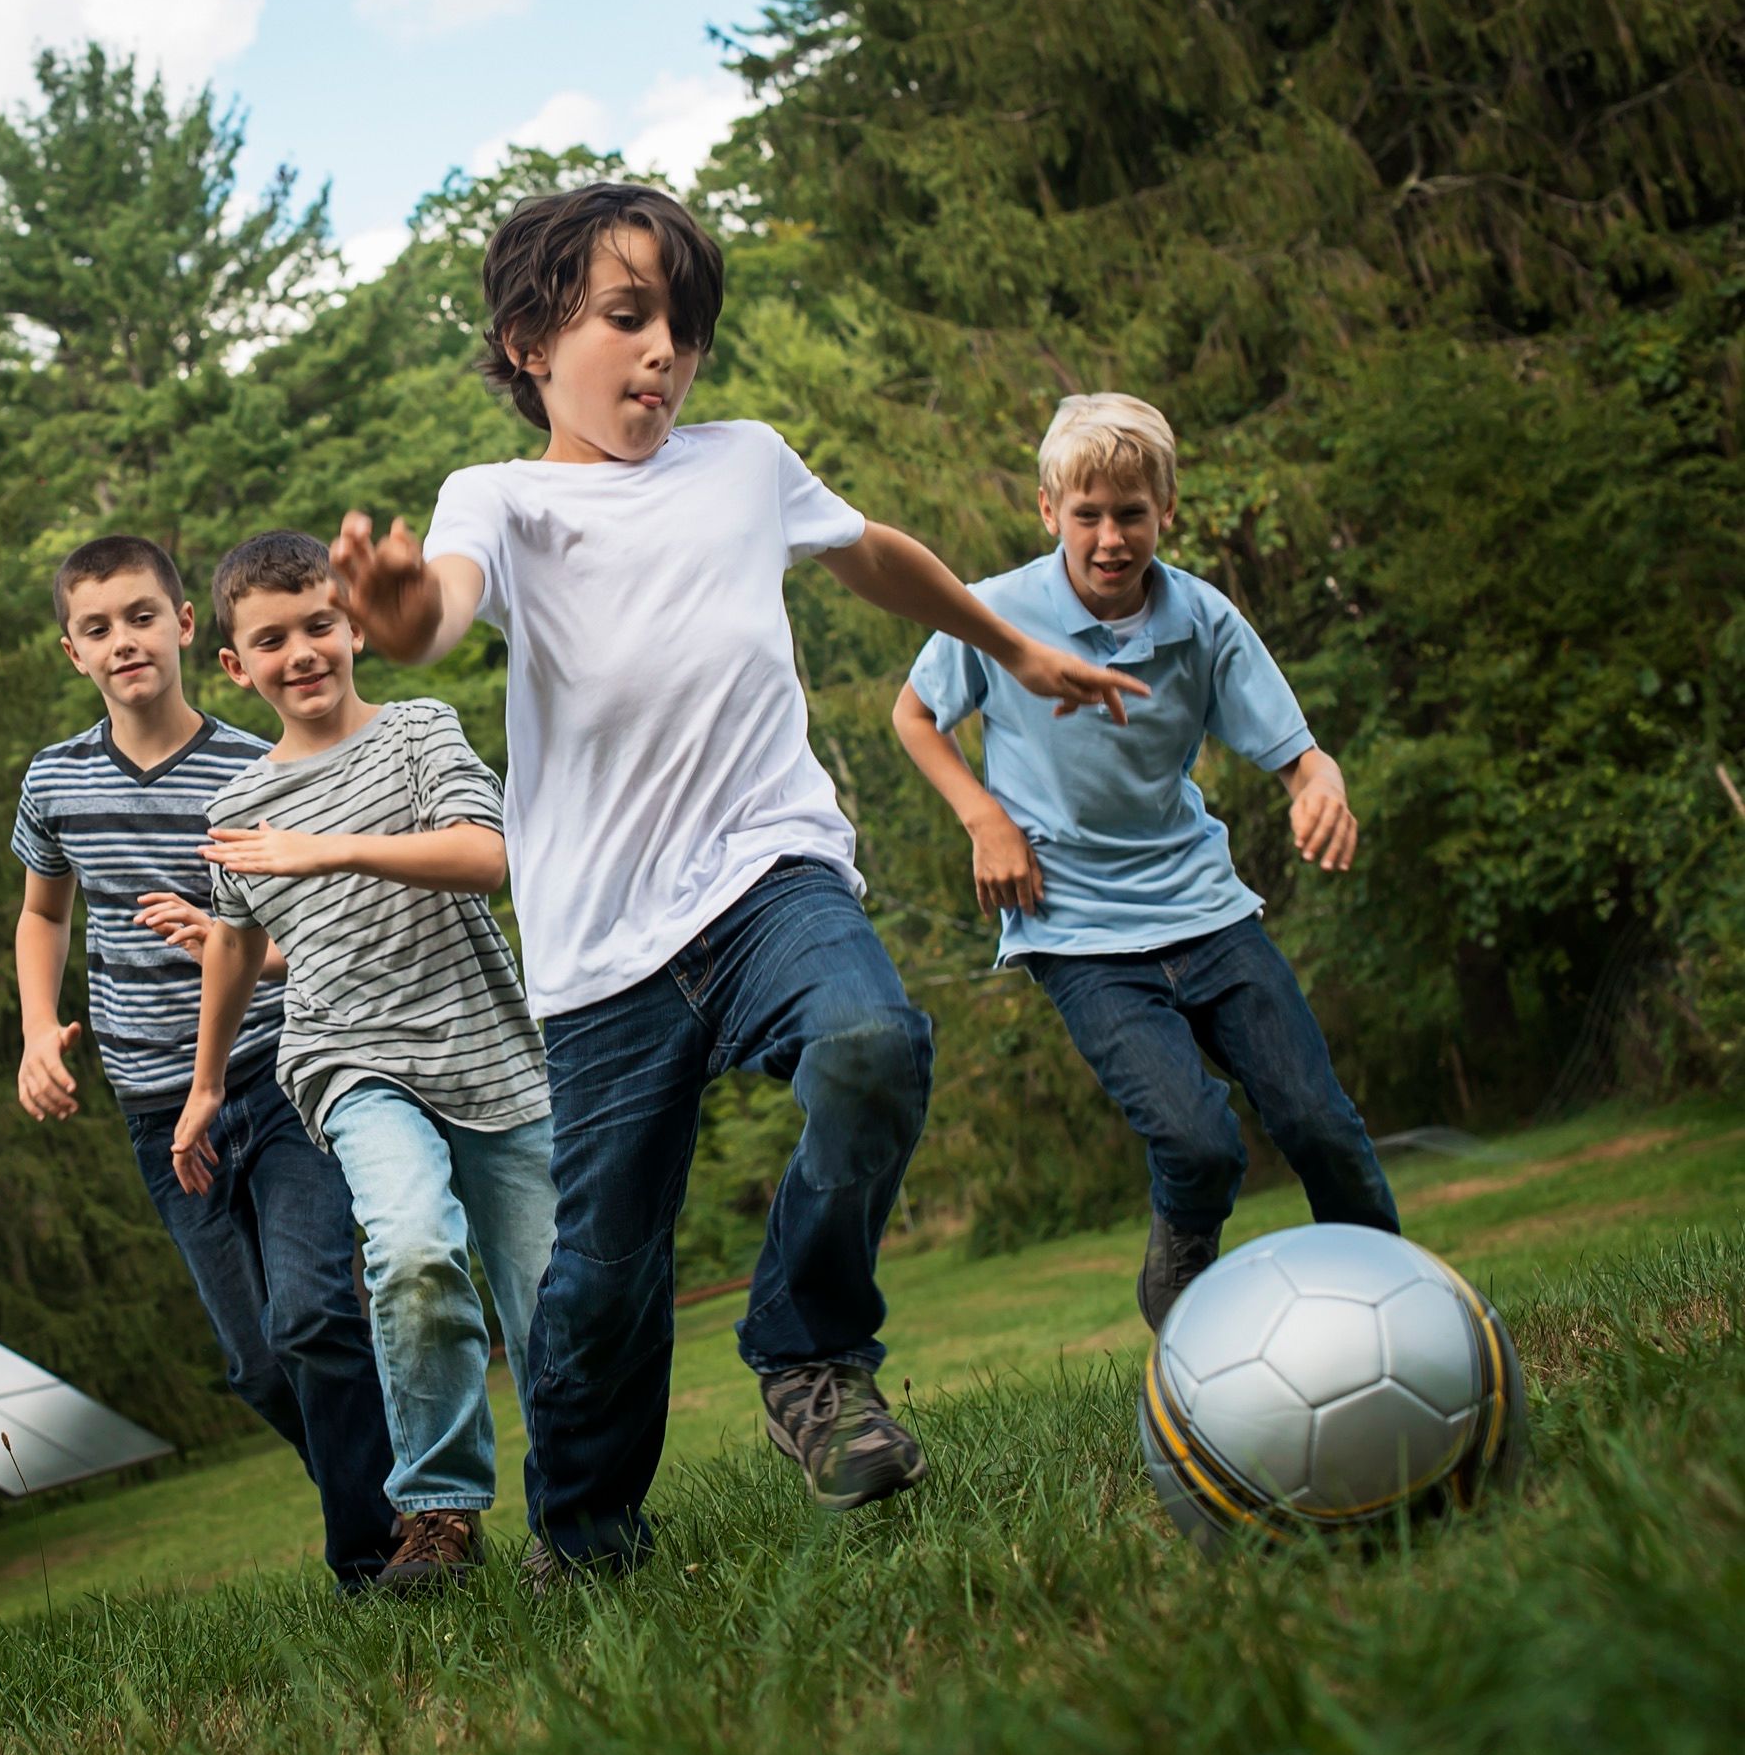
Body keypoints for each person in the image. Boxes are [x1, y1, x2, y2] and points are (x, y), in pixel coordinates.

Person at [331, 182, 1147, 1574]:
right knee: (599, 1277)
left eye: (686, 330)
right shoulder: (503, 496)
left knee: (873, 1042)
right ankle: (586, 1537)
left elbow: (874, 556)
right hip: (601, 947)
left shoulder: (745, 460)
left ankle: (807, 1348)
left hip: (770, 871)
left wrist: (1008, 646)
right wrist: (401, 615)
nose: (665, 354)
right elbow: (443, 603)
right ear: (532, 340)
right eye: (628, 317)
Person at [890, 392, 1399, 1331]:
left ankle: (1390, 1310)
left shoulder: (1202, 619)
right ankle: (1185, 1292)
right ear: (1050, 512)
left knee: (1320, 1125)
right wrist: (983, 819)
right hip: (1078, 931)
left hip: (1206, 910)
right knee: (1199, 1142)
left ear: (1167, 508)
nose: (1111, 538)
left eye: (1132, 514)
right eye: (1088, 515)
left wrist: (1319, 787)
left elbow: (1300, 756)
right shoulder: (997, 613)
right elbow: (914, 715)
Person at [170, 531, 559, 1594]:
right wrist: (206, 1087)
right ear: (235, 666)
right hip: (349, 1059)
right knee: (413, 1251)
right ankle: (438, 1513)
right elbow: (239, 945)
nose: (301, 652)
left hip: (485, 1048)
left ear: (351, 628)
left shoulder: (419, 731)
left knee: (548, 1301)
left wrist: (329, 846)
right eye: (271, 639)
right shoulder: (236, 809)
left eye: (317, 626)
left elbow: (487, 856)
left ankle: (577, 1514)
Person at [10, 533, 393, 1590]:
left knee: (315, 1312)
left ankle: (379, 1559)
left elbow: (325, 926)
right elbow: (43, 915)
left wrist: (237, 947)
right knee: (262, 1364)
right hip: (153, 1108)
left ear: (186, 628)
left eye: (141, 616)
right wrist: (40, 1029)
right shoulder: (56, 782)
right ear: (72, 653)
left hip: (280, 1079)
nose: (123, 640)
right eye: (98, 627)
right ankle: (404, 1498)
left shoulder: (253, 770)